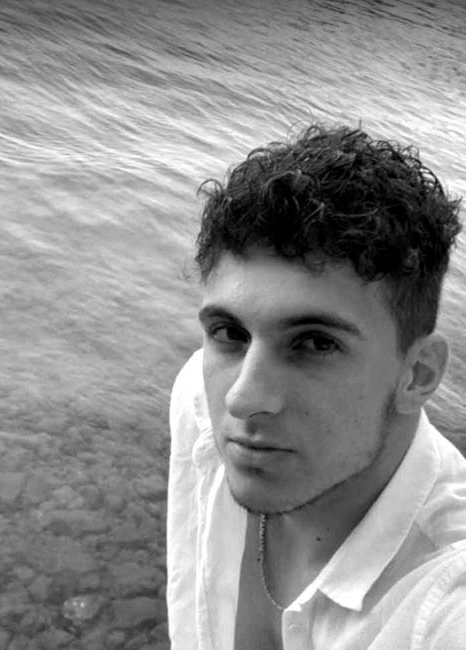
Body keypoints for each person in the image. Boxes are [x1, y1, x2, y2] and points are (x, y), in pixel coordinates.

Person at [166, 124, 466, 650]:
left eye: (314, 343)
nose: (242, 399)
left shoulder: (441, 607)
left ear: (418, 374)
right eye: (230, 333)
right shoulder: (198, 398)